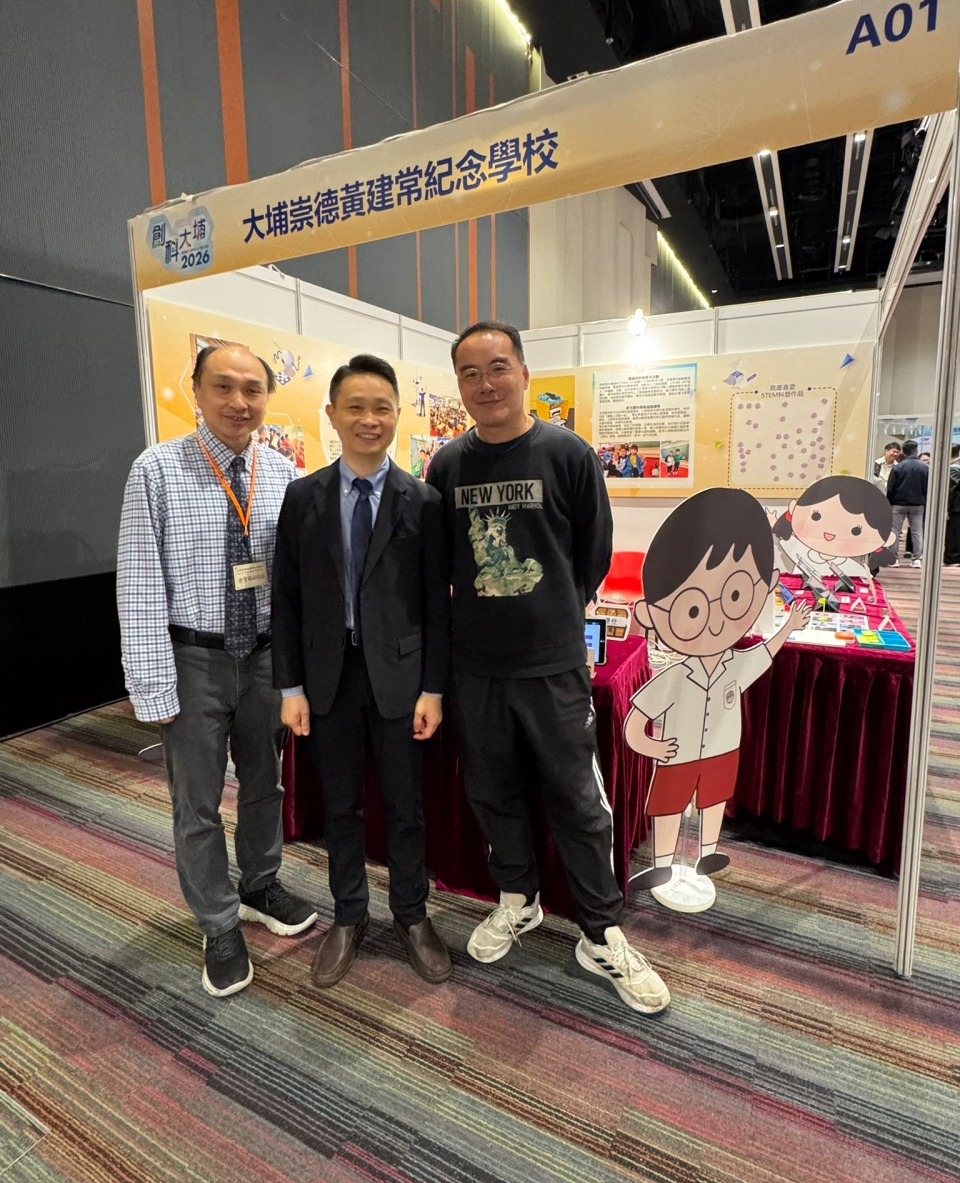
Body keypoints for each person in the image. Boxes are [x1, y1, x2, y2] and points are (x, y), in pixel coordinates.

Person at [426, 320, 670, 1016]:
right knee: (491, 790)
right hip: (476, 666)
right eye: (470, 373)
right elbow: (442, 567)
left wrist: (553, 614)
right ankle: (517, 898)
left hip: (553, 665)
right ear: (459, 385)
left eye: (498, 367)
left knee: (578, 799)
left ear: (525, 373)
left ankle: (602, 932)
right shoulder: (446, 466)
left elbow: (593, 554)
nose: (486, 384)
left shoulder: (568, 454)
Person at [117, 344, 317, 999]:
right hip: (193, 659)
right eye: (224, 387)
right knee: (197, 802)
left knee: (266, 784)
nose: (239, 402)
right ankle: (218, 922)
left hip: (266, 658)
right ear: (196, 392)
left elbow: (296, 583)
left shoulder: (283, 473)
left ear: (267, 397)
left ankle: (260, 883)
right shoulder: (156, 470)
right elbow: (139, 583)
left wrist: (300, 672)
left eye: (253, 389)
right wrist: (152, 684)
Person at [272, 355, 452, 988]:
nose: (368, 419)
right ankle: (349, 913)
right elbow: (286, 597)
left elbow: (437, 606)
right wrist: (290, 686)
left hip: (401, 680)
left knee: (405, 807)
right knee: (342, 806)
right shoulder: (303, 498)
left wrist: (434, 687)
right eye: (355, 407)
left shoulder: (424, 501)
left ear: (398, 415)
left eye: (381, 408)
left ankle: (411, 913)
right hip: (328, 679)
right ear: (332, 414)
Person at [627, 490, 810, 886]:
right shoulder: (674, 676)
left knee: (713, 800)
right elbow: (636, 722)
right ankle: (662, 863)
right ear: (651, 615)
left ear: (766, 586)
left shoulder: (736, 664)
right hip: (678, 754)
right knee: (668, 806)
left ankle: (707, 853)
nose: (713, 621)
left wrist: (788, 628)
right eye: (692, 608)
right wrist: (652, 747)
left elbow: (764, 653)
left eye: (735, 596)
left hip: (722, 749)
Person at [770, 475, 897, 585]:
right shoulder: (801, 551)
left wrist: (866, 577)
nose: (831, 533)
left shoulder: (853, 568)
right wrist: (773, 522)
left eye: (856, 531)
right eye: (816, 516)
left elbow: (861, 579)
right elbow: (787, 541)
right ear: (793, 508)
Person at [886, 439, 928, 568]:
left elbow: (890, 487)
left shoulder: (898, 467)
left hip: (898, 504)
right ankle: (916, 559)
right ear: (916, 451)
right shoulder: (925, 468)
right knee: (917, 532)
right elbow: (927, 487)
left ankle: (894, 559)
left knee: (895, 531)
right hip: (918, 504)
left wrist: (890, 501)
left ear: (903, 452)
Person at [945, 445, 960, 567]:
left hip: (956, 506)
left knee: (953, 533)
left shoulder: (953, 469)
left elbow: (951, 489)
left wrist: (946, 508)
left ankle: (952, 558)